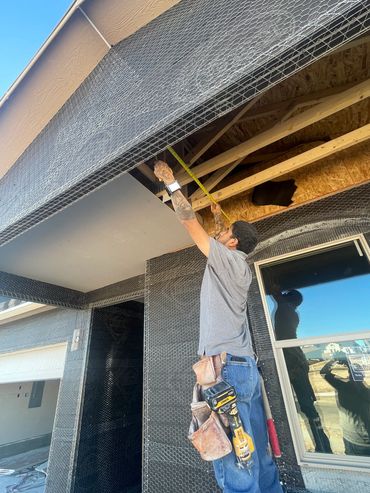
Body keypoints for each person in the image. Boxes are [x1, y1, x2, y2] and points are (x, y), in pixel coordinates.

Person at [154, 160, 283, 493]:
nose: (220, 234)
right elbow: (217, 232)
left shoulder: (227, 259)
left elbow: (190, 223)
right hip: (243, 370)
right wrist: (218, 216)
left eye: (225, 233)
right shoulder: (237, 264)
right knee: (255, 452)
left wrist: (172, 184)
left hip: (225, 372)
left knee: (233, 457)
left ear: (233, 243)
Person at [272, 289, 332, 453]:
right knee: (305, 406)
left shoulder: (286, 309)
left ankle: (324, 448)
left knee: (305, 407)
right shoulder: (289, 310)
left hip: (293, 362)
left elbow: (276, 294)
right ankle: (323, 447)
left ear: (290, 298)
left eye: (286, 293)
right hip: (294, 360)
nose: (281, 294)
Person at [320, 353, 370, 456]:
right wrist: (347, 363)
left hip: (349, 438)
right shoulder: (365, 391)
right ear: (363, 376)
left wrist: (335, 360)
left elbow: (324, 372)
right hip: (363, 442)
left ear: (349, 375)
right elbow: (358, 387)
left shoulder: (341, 386)